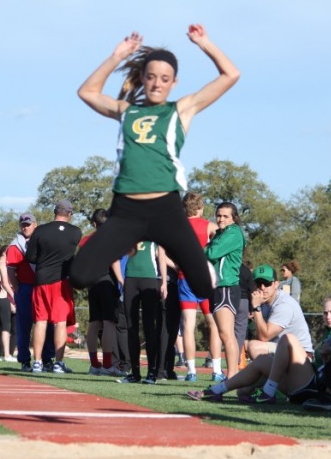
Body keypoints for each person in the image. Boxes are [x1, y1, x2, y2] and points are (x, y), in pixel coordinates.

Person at [69, 24, 240, 301]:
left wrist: (204, 43)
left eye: (164, 78)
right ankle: (125, 245)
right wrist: (117, 56)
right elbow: (87, 92)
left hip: (166, 210)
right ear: (143, 79)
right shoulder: (127, 111)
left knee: (205, 289)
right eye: (151, 77)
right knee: (79, 275)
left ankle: (202, 268)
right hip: (126, 211)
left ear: (173, 82)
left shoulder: (180, 110)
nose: (157, 83)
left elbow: (231, 74)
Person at [188, 295, 331, 406]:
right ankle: (216, 391)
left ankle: (268, 391)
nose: (328, 316)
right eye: (325, 312)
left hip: (316, 386)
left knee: (288, 338)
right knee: (261, 361)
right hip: (306, 385)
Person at [25, 199, 82, 374]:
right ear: (70, 214)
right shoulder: (75, 232)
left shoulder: (40, 230)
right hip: (62, 281)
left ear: (54, 212)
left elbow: (30, 257)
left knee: (40, 321)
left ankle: (37, 362)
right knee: (60, 323)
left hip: (42, 279)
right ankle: (58, 363)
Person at [178, 191, 222, 382]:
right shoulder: (209, 226)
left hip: (184, 277)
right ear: (200, 207)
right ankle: (217, 370)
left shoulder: (177, 226)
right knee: (213, 324)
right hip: (205, 278)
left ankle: (191, 371)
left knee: (188, 325)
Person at [6, 213, 55, 372]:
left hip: (42, 286)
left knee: (47, 324)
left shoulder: (43, 241)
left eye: (28, 224)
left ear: (35, 224)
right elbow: (10, 271)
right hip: (26, 287)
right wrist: (17, 288)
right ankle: (25, 360)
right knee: (24, 326)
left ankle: (47, 359)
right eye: (23, 225)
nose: (25, 227)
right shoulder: (15, 246)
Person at [79, 209, 124, 376]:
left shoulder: (84, 241)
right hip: (106, 282)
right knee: (109, 324)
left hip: (92, 284)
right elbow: (114, 261)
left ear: (94, 223)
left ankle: (94, 364)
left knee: (94, 323)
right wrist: (121, 280)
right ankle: (107, 365)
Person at [205, 202, 244, 379]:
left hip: (226, 287)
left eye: (225, 216)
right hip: (219, 287)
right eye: (218, 215)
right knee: (225, 334)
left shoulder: (233, 233)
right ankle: (233, 375)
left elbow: (211, 253)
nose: (220, 219)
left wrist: (203, 249)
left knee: (226, 334)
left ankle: (232, 376)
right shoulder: (222, 233)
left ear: (234, 218)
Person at [121, 241, 167, 384]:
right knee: (131, 327)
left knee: (149, 328)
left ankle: (151, 373)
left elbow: (162, 258)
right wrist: (121, 280)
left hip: (150, 280)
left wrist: (164, 282)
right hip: (130, 280)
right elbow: (117, 257)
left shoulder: (155, 236)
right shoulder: (129, 234)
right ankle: (135, 373)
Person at [247, 264, 313, 360]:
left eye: (267, 283)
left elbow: (264, 337)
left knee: (254, 347)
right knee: (247, 349)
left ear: (276, 284)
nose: (262, 287)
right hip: (282, 351)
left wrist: (256, 308)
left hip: (302, 356)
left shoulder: (284, 304)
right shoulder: (263, 302)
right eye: (258, 283)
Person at [0, 246, 17, 362]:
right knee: (6, 326)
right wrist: (15, 297)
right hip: (2, 297)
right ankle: (6, 355)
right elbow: (5, 284)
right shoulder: (3, 265)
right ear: (5, 253)